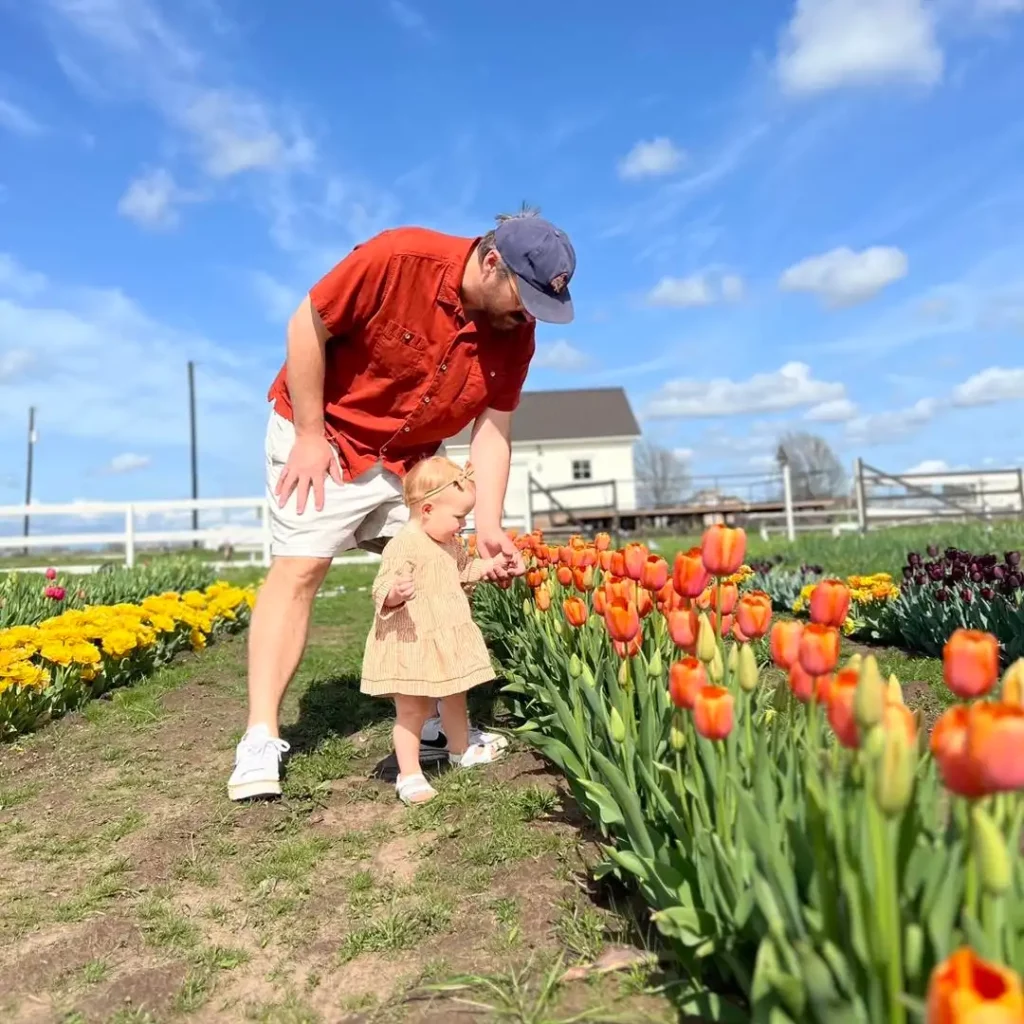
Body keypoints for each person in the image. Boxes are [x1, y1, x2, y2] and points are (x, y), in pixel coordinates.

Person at [228, 207, 577, 801]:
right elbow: (305, 325)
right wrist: (310, 435)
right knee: (303, 567)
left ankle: (442, 725)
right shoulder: (399, 257)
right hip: (327, 435)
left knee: (439, 573)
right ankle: (260, 736)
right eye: (526, 299)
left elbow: (494, 429)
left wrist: (488, 522)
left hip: (411, 460)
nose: (528, 317)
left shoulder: (516, 328)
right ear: (493, 263)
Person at [362, 457, 510, 804]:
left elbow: (461, 570)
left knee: (456, 695)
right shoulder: (404, 544)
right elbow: (381, 587)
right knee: (413, 709)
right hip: (414, 640)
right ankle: (409, 773)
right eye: (458, 517)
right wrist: (396, 594)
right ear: (427, 509)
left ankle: (460, 750)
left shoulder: (447, 542)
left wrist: (490, 566)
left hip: (445, 635)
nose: (462, 525)